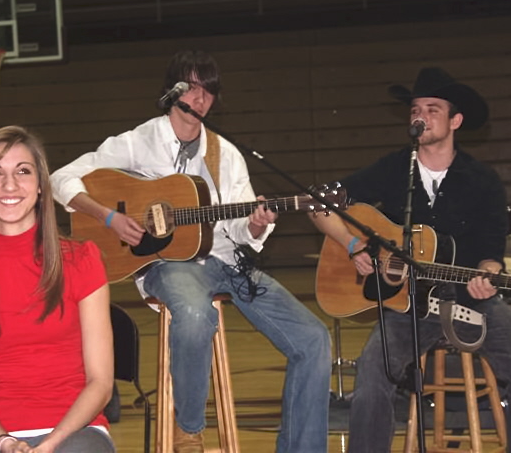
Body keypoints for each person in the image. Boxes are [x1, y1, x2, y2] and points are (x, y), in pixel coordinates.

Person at [50, 50, 332, 453]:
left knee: (314, 338)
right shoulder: (139, 141)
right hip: (169, 265)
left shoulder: (225, 153)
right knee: (197, 313)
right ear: (173, 92)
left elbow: (240, 224)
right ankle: (189, 430)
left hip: (229, 262)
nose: (200, 99)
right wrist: (109, 218)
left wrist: (256, 223)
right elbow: (60, 178)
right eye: (192, 87)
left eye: (209, 90)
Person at [310, 67, 511, 452]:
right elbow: (318, 204)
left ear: (455, 121)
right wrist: (352, 245)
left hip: (469, 299)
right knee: (372, 381)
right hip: (406, 305)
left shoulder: (483, 180)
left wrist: (487, 274)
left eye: (432, 109)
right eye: (415, 109)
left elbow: (491, 254)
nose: (420, 116)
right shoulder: (395, 169)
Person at [0, 126, 116, 453]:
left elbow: (101, 384)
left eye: (23, 171)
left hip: (76, 429)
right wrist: (4, 441)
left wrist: (51, 444)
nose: (9, 184)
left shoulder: (83, 260)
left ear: (41, 187)